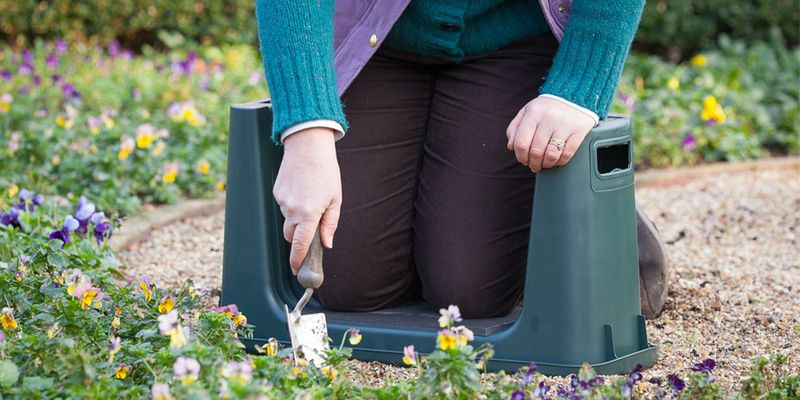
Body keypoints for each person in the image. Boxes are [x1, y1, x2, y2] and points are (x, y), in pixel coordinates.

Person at [255, 0, 669, 319]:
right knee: (349, 285)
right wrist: (307, 129)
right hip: (379, 39)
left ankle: (593, 212)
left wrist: (578, 89)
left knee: (469, 290)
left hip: (513, 40)